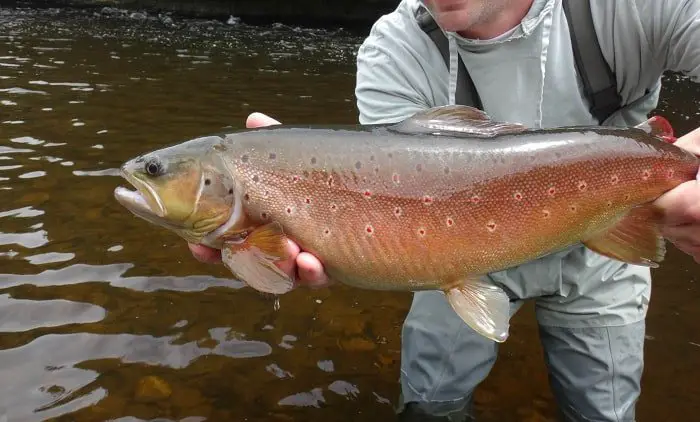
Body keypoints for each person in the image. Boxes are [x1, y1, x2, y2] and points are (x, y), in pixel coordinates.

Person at [189, 0, 700, 420]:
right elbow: (403, 204)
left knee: (603, 413)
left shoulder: (635, 8)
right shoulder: (394, 50)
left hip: (604, 237)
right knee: (429, 407)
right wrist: (311, 200)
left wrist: (694, 165)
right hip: (452, 245)